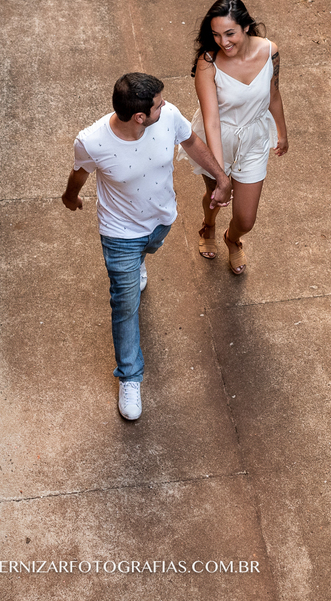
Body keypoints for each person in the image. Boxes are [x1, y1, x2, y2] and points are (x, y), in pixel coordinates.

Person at [63, 73, 230, 421]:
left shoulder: (167, 118)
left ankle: (139, 262)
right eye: (158, 103)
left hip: (160, 220)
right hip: (120, 233)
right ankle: (130, 376)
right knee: (125, 306)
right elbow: (80, 173)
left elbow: (193, 142)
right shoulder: (92, 142)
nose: (165, 105)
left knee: (149, 249)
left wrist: (221, 178)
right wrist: (71, 197)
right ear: (139, 116)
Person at [180, 0, 288, 275]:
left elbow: (273, 93)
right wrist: (221, 175)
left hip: (254, 139)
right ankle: (209, 223)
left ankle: (232, 237)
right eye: (216, 35)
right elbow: (211, 121)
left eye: (230, 33)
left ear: (247, 27)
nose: (223, 42)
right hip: (217, 140)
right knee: (214, 195)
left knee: (246, 218)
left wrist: (282, 132)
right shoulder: (207, 63)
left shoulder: (270, 51)